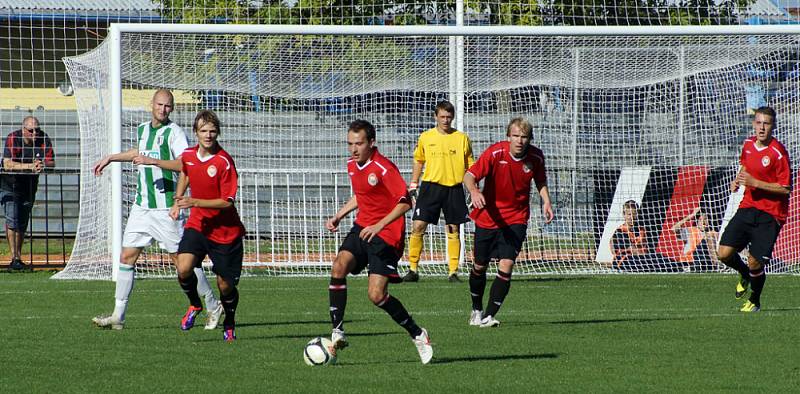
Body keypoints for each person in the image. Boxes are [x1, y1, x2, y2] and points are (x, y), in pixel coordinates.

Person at [92, 89, 222, 330]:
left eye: (168, 106)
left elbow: (186, 164)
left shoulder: (174, 133)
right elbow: (138, 153)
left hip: (165, 209)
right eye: (160, 105)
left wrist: (154, 163)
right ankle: (118, 316)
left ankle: (213, 305)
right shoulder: (142, 129)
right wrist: (111, 157)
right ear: (151, 104)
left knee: (182, 262)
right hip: (142, 207)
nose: (163, 109)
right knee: (126, 257)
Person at [325, 119, 433, 363]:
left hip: (386, 235)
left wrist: (379, 225)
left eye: (359, 143)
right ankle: (338, 331)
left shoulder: (384, 168)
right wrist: (339, 215)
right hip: (363, 228)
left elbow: (406, 201)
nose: (353, 149)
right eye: (350, 144)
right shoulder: (352, 166)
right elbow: (362, 196)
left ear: (371, 143)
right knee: (338, 265)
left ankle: (417, 333)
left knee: (376, 295)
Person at [463, 117, 554, 328]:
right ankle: (476, 308)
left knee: (507, 264)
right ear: (508, 137)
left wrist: (546, 201)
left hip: (516, 218)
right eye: (515, 136)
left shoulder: (536, 157)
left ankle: (489, 316)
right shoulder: (495, 153)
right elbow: (469, 176)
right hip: (489, 217)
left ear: (529, 139)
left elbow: (540, 180)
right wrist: (475, 191)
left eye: (524, 137)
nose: (519, 141)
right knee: (479, 265)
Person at [171, 110, 245, 342]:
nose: (208, 135)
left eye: (212, 131)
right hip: (199, 224)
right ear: (196, 132)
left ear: (218, 133)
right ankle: (195, 305)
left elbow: (227, 201)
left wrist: (194, 201)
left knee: (225, 285)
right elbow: (186, 172)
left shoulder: (224, 161)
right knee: (183, 267)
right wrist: (178, 200)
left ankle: (229, 323)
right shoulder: (189, 155)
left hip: (225, 232)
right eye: (204, 130)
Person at [717, 106, 791, 313]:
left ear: (773, 126)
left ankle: (755, 301)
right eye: (758, 123)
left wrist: (755, 182)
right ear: (753, 124)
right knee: (723, 254)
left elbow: (785, 188)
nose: (762, 127)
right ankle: (743, 274)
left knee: (755, 261)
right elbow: (745, 165)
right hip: (748, 206)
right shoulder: (748, 144)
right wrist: (739, 180)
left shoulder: (778, 153)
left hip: (771, 214)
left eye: (766, 123)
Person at [404, 100, 474, 282]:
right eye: (442, 116)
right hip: (430, 186)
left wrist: (474, 189)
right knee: (418, 225)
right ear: (435, 117)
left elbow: (471, 166)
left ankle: (452, 272)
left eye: (448, 117)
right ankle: (413, 269)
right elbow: (419, 160)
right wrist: (413, 183)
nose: (445, 120)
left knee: (453, 228)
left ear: (453, 117)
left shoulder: (462, 138)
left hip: (454, 188)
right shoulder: (426, 137)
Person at [1, 116, 55, 271]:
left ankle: (18, 256)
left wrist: (43, 164)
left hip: (29, 185)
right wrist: (30, 166)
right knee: (12, 219)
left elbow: (52, 162)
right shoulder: (13, 138)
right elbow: (7, 163)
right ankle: (14, 258)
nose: (35, 133)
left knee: (22, 221)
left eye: (37, 129)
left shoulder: (44, 138)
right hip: (9, 184)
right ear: (23, 129)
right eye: (31, 130)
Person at [670, 207, 718, 272]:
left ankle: (717, 265)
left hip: (706, 262)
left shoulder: (712, 233)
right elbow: (673, 229)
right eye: (701, 219)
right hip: (689, 260)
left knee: (710, 236)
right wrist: (691, 216)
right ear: (697, 221)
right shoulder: (691, 230)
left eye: (706, 219)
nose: (703, 222)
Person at [610, 200, 648, 271]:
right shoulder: (620, 232)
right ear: (624, 215)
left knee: (660, 258)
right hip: (624, 261)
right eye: (629, 214)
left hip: (641, 259)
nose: (632, 217)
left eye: (634, 214)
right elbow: (633, 250)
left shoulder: (642, 230)